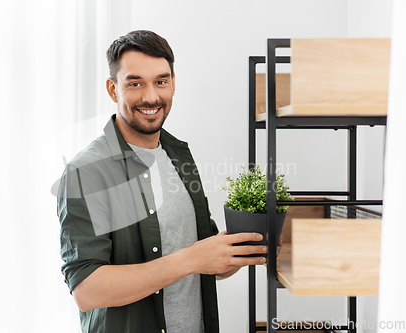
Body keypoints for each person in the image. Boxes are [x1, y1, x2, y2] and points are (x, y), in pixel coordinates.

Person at [57, 30, 269, 333]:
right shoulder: (86, 172)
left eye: (161, 81)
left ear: (172, 83)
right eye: (135, 83)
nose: (151, 97)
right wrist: (190, 259)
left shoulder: (179, 154)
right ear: (113, 89)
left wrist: (244, 248)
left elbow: (205, 260)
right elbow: (87, 291)